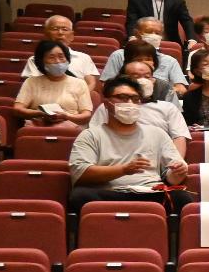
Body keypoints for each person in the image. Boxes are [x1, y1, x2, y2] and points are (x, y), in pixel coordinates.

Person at [68, 75, 191, 210]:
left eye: (135, 99)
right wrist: (123, 170)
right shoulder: (90, 135)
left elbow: (172, 177)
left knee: (181, 197)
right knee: (80, 195)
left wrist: (178, 172)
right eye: (122, 98)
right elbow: (81, 173)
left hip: (149, 192)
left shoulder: (157, 133)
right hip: (108, 193)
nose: (130, 103)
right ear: (107, 103)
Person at [109, 55, 191, 159]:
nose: (142, 81)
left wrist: (174, 165)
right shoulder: (111, 106)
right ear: (123, 80)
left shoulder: (168, 108)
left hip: (158, 162)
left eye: (147, 77)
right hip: (117, 159)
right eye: (136, 77)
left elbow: (179, 137)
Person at [14, 40, 94, 126]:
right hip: (38, 126)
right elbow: (18, 109)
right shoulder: (31, 82)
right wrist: (40, 113)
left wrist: (67, 116)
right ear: (41, 62)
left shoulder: (79, 83)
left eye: (61, 57)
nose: (58, 61)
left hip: (69, 128)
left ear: (67, 59)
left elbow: (86, 115)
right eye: (51, 57)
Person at [103, 27, 188, 96]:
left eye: (148, 59)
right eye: (138, 60)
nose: (144, 63)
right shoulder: (118, 87)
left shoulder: (163, 87)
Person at [20, 15, 99, 84]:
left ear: (72, 36)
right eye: (55, 29)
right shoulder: (35, 60)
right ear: (46, 34)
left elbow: (90, 84)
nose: (60, 33)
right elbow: (32, 85)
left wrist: (79, 96)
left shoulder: (84, 58)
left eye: (65, 29)